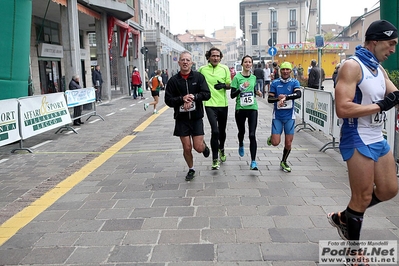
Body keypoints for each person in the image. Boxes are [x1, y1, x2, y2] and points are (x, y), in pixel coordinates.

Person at [328, 20, 398, 250]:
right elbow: (343, 108)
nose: (393, 50)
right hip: (356, 136)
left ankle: (344, 217)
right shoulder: (352, 66)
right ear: (375, 41)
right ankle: (354, 253)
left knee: (389, 189)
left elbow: (394, 95)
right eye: (390, 44)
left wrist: (391, 100)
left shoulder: (379, 69)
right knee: (363, 196)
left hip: (377, 136)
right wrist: (380, 106)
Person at [164, 51, 211, 181]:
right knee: (187, 147)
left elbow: (207, 94)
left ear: (191, 63)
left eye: (187, 60)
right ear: (179, 62)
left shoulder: (198, 77)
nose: (185, 62)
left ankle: (204, 146)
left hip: (196, 118)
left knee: (198, 147)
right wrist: (181, 99)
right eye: (182, 60)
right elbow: (168, 100)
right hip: (181, 120)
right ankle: (191, 169)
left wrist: (194, 97)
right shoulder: (173, 81)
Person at [199, 47, 231, 170]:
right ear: (209, 57)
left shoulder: (225, 69)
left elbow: (230, 85)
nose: (215, 58)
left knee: (222, 131)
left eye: (218, 56)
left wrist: (224, 85)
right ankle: (215, 159)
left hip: (222, 104)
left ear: (220, 57)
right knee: (215, 131)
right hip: (209, 104)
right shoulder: (202, 69)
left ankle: (221, 148)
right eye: (213, 56)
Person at [266, 61, 301, 173]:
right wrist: (278, 98)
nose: (285, 72)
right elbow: (269, 99)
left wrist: (286, 97)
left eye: (287, 69)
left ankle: (284, 161)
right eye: (283, 70)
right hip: (277, 117)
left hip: (290, 117)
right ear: (280, 71)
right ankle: (272, 137)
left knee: (288, 143)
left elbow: (298, 94)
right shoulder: (275, 83)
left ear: (290, 71)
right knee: (275, 143)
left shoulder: (294, 82)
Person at [230, 55, 262, 170]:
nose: (248, 64)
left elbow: (252, 90)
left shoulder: (253, 77)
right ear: (242, 64)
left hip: (253, 108)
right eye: (246, 62)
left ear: (251, 64)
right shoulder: (237, 78)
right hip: (240, 109)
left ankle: (253, 161)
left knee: (252, 134)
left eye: (250, 62)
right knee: (241, 131)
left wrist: (257, 93)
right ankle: (241, 143)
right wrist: (241, 88)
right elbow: (232, 95)